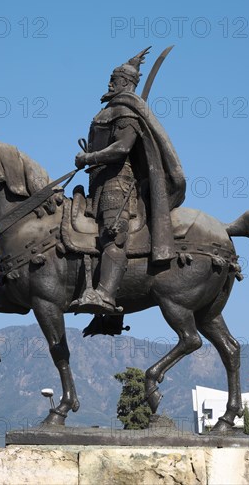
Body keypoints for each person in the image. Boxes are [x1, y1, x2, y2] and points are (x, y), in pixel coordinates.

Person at [73, 47, 186, 313]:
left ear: (127, 84)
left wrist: (89, 158)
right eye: (111, 79)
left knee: (113, 236)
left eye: (116, 80)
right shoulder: (107, 111)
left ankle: (106, 296)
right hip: (97, 182)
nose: (110, 83)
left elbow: (122, 148)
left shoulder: (126, 112)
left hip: (118, 184)